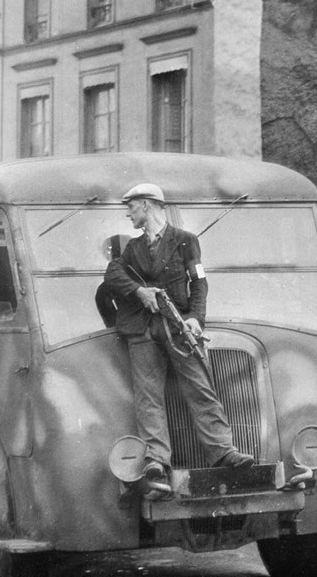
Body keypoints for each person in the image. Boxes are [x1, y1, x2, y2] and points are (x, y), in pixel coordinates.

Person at [104, 183, 254, 497]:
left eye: (131, 207)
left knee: (200, 389)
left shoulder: (186, 241)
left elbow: (199, 283)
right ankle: (157, 461)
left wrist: (195, 319)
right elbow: (112, 275)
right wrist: (139, 291)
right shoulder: (132, 248)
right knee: (149, 397)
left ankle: (223, 451)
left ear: (146, 205)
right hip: (143, 329)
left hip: (178, 326)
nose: (128, 213)